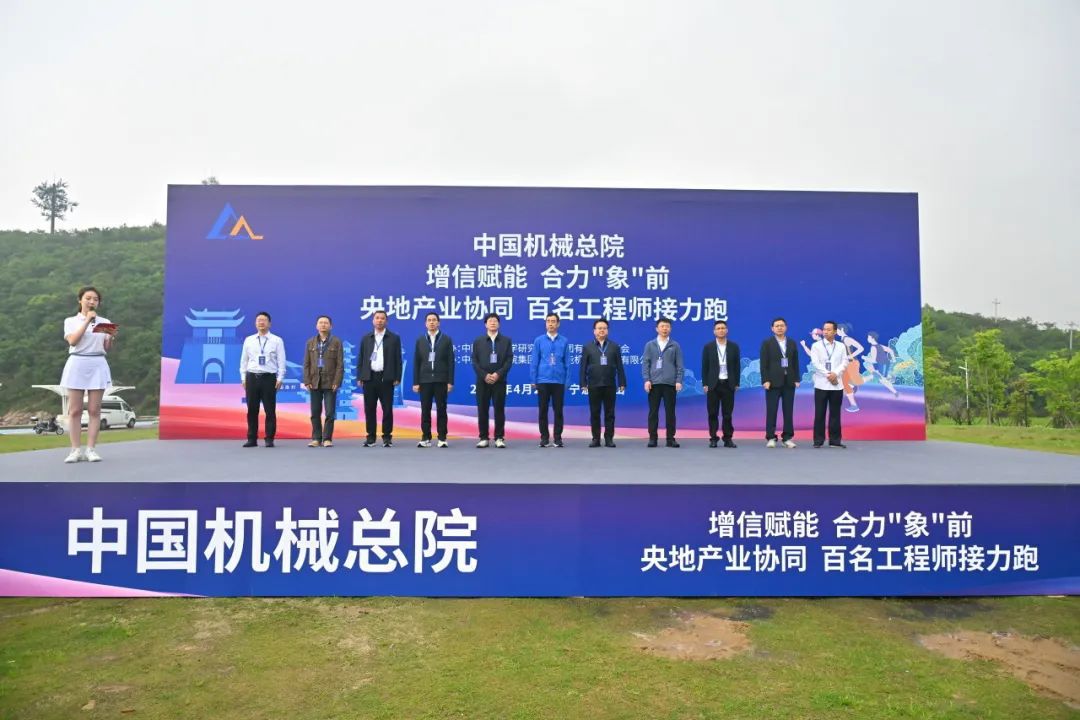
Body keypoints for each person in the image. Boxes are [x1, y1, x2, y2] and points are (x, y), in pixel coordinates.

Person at [61, 286, 117, 463]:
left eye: (95, 299)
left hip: (97, 363)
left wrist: (110, 338)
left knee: (94, 410)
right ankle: (75, 450)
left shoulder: (105, 322)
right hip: (77, 362)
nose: (92, 301)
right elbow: (73, 341)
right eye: (88, 298)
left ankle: (91, 449)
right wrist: (87, 321)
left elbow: (107, 347)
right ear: (80, 300)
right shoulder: (70, 321)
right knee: (75, 410)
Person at [240, 311, 287, 448]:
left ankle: (269, 438)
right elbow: (244, 361)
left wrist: (280, 378)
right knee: (252, 410)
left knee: (270, 410)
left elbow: (281, 361)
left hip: (269, 378)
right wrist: (243, 377)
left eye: (264, 320)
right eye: (258, 320)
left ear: (269, 323)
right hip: (252, 377)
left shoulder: (277, 340)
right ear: (255, 323)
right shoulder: (249, 340)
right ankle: (251, 438)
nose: (261, 322)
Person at [358, 310, 403, 447]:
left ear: (386, 321)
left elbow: (398, 359)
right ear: (373, 320)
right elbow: (361, 358)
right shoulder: (366, 338)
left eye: (382, 318)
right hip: (369, 378)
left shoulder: (394, 338)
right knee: (369, 409)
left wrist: (397, 377)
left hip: (386, 378)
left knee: (387, 409)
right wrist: (360, 376)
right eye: (377, 318)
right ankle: (371, 437)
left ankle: (387, 437)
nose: (379, 320)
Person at [579, 318, 627, 447]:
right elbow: (583, 367)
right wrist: (583, 383)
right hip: (593, 384)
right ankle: (595, 438)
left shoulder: (614, 347)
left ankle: (609, 438)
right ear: (594, 331)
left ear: (608, 331)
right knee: (595, 413)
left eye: (604, 328)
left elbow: (620, 366)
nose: (602, 330)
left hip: (609, 384)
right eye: (599, 328)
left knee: (610, 413)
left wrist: (622, 382)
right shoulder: (588, 347)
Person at [412, 312, 454, 448]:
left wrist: (450, 381)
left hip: (441, 380)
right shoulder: (420, 340)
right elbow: (416, 362)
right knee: (425, 410)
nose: (431, 322)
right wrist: (416, 382)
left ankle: (442, 438)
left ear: (438, 323)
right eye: (429, 320)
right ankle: (426, 437)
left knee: (442, 409)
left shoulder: (446, 339)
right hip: (425, 381)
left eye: (434, 320)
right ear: (425, 323)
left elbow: (450, 362)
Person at [471, 312, 513, 448]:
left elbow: (509, 360)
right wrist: (484, 375)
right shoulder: (478, 341)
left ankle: (499, 437)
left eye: (495, 321)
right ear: (485, 324)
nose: (493, 323)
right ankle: (483, 437)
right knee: (482, 409)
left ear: (499, 324)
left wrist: (498, 374)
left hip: (499, 381)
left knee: (499, 409)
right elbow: (474, 361)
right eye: (490, 321)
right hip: (482, 381)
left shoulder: (506, 341)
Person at [529, 313, 571, 447]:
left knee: (558, 411)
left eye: (553, 321)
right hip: (543, 380)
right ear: (545, 323)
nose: (551, 324)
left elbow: (567, 363)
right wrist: (533, 379)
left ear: (558, 324)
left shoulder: (564, 341)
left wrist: (567, 381)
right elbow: (534, 361)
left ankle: (558, 438)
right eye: (548, 321)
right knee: (543, 411)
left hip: (558, 381)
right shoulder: (539, 340)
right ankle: (544, 438)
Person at [641, 317, 684, 447]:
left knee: (670, 412)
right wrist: (646, 380)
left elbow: (679, 365)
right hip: (654, 384)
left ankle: (670, 439)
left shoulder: (675, 345)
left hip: (670, 384)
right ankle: (652, 438)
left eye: (667, 326)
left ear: (670, 329)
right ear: (657, 329)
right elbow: (645, 364)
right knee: (653, 412)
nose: (665, 328)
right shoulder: (650, 345)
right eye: (662, 326)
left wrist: (678, 380)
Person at [302, 315, 343, 448]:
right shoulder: (310, 342)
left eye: (326, 323)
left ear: (331, 326)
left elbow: (340, 364)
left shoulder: (336, 342)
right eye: (321, 322)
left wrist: (337, 381)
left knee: (330, 412)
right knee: (315, 412)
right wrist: (307, 380)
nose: (323, 325)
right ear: (316, 326)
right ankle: (316, 438)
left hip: (330, 382)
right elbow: (306, 363)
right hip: (315, 381)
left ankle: (327, 438)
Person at [759, 317, 801, 448]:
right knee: (772, 410)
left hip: (789, 382)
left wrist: (796, 379)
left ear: (786, 327)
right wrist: (765, 380)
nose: (779, 328)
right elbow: (764, 364)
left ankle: (787, 437)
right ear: (772, 328)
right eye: (777, 326)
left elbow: (795, 362)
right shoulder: (767, 343)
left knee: (788, 411)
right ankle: (771, 437)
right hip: (772, 382)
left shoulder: (792, 343)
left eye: (782, 325)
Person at [701, 320, 741, 448]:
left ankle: (728, 438)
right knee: (712, 413)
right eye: (718, 328)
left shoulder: (734, 347)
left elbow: (737, 366)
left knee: (727, 414)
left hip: (728, 384)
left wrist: (737, 382)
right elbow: (705, 367)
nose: (721, 330)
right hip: (713, 384)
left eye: (723, 328)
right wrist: (705, 383)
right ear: (714, 331)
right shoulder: (708, 347)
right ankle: (713, 438)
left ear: (727, 330)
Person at [810, 320, 849, 448]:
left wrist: (835, 374)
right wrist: (828, 374)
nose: (825, 332)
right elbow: (815, 363)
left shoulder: (841, 346)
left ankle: (835, 441)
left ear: (835, 332)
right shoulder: (816, 346)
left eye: (828, 329)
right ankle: (818, 440)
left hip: (837, 385)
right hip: (821, 384)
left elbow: (845, 362)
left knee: (835, 414)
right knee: (819, 413)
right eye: (824, 329)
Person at [836, 324, 865, 412]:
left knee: (851, 382)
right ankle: (853, 404)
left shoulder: (847, 339)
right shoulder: (842, 340)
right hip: (847, 364)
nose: (836, 332)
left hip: (852, 363)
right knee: (845, 383)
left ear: (841, 329)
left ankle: (854, 405)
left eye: (837, 330)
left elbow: (861, 348)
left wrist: (850, 356)